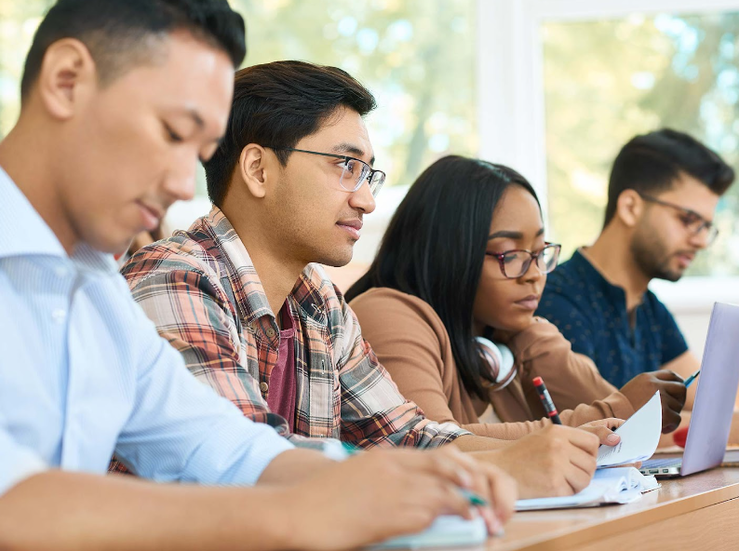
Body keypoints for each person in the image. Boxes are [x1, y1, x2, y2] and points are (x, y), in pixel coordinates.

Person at [0, 1, 517, 548]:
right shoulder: (164, 276)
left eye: (199, 151)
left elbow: (221, 446)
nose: (183, 182)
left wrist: (398, 480)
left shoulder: (96, 289)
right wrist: (300, 514)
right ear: (67, 80)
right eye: (174, 132)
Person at [120, 60, 615, 500]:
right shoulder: (176, 279)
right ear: (258, 169)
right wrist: (501, 467)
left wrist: (547, 451)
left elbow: (405, 434)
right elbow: (241, 466)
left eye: (368, 174)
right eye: (346, 166)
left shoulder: (320, 305)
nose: (367, 200)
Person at [346, 155, 687, 439]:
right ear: (448, 254)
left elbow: (631, 430)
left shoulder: (503, 334)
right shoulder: (386, 312)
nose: (535, 273)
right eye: (510, 254)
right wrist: (618, 409)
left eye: (540, 252)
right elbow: (432, 442)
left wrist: (535, 341)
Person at [537, 129, 735, 412]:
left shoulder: (650, 309)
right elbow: (611, 428)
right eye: (688, 219)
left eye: (706, 227)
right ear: (630, 207)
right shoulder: (556, 300)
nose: (701, 241)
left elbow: (715, 400)